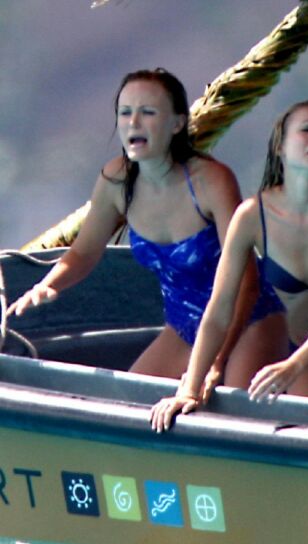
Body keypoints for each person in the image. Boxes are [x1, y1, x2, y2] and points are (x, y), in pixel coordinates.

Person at [8, 68, 287, 390]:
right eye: (125, 113)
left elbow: (247, 283)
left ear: (177, 123)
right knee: (128, 400)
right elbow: (83, 253)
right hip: (183, 326)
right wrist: (47, 285)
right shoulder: (116, 181)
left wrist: (215, 363)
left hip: (248, 321)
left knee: (231, 408)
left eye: (148, 112)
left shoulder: (211, 181)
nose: (134, 123)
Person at [150, 100, 308, 432]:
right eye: (307, 130)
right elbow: (220, 308)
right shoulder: (252, 216)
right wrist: (190, 388)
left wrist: (292, 366)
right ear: (280, 145)